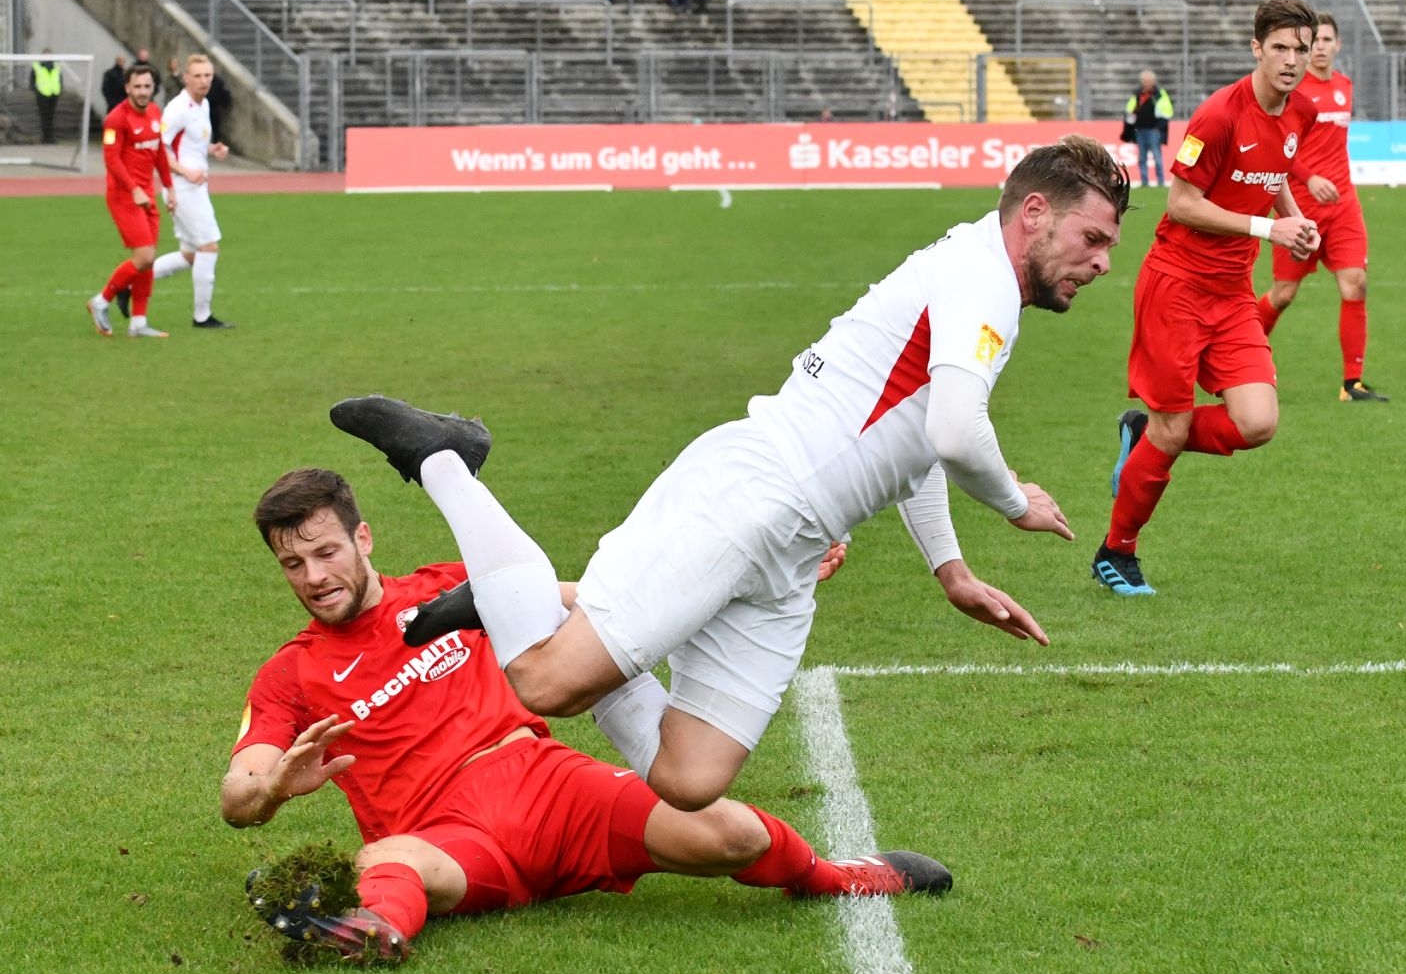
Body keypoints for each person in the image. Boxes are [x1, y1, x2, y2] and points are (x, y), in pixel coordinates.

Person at [328, 136, 1128, 818]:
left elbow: (920, 437)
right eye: (1091, 238)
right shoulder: (980, 278)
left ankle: (534, 599)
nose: (1099, 263)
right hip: (753, 495)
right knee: (542, 680)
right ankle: (447, 460)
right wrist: (1014, 501)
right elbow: (956, 429)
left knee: (690, 778)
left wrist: (950, 569)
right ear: (1033, 214)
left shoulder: (981, 278)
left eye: (1108, 248)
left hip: (791, 548)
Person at [230, 469, 940, 965]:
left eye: (325, 552)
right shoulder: (291, 673)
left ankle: (840, 877)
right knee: (388, 862)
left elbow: (609, 605)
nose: (315, 577)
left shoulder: (451, 587)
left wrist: (758, 582)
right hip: (446, 841)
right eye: (293, 564)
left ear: (364, 538)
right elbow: (240, 791)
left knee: (730, 831)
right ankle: (368, 929)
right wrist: (268, 790)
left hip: (555, 793)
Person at [1091, 0, 1321, 598]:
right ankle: (1116, 552)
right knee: (1174, 430)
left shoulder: (1304, 114)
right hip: (1177, 286)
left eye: (1301, 48)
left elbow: (1271, 182)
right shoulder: (1220, 114)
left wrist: (1295, 219)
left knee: (1258, 422)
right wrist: (1270, 231)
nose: (1292, 60)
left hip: (1232, 292)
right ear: (1257, 48)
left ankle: (1146, 437)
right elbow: (1181, 204)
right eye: (1280, 48)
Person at [1255, 13, 1385, 404]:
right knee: (1283, 293)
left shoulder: (1345, 86)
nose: (1323, 46)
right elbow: (1276, 147)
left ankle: (1353, 383)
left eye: (1329, 39)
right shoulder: (1292, 91)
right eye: (1318, 41)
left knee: (1356, 284)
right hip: (1299, 207)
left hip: (1344, 205)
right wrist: (1309, 177)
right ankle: (1237, 357)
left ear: (1337, 45)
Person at [85, 62, 174, 339]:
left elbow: (159, 154)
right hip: (124, 197)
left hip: (147, 195)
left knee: (148, 260)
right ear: (127, 88)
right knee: (145, 256)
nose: (143, 91)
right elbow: (111, 159)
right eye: (137, 86)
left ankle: (138, 322)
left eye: (147, 86)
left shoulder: (156, 114)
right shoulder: (116, 119)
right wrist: (134, 188)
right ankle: (101, 301)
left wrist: (170, 188)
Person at [149, 54, 233, 331]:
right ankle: (202, 317)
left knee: (190, 255)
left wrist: (212, 150)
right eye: (197, 76)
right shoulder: (177, 109)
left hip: (194, 186)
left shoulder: (204, 104)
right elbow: (158, 149)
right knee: (209, 246)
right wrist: (185, 172)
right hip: (182, 188)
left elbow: (190, 144)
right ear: (186, 77)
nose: (203, 81)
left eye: (208, 75)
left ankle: (131, 284)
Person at [1124, 70, 1173, 188]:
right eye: (1145, 81)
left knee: (1157, 156)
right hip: (1140, 129)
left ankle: (1161, 181)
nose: (1147, 83)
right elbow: (1129, 109)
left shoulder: (1159, 94)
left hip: (1153, 130)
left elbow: (1167, 111)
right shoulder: (1137, 94)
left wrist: (1159, 127)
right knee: (1142, 157)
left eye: (1149, 81)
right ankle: (1144, 181)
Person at [31, 51, 62, 146]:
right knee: (44, 117)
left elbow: (59, 79)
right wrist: (37, 91)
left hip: (54, 94)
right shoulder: (37, 67)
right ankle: (45, 137)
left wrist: (59, 90)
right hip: (42, 94)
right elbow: (32, 81)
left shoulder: (56, 66)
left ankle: (50, 137)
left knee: (51, 117)